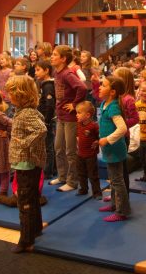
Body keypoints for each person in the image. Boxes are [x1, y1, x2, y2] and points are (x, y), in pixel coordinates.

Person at [4, 75, 47, 253]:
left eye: (11, 93)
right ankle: (35, 229)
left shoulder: (27, 113)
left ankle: (26, 240)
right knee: (32, 198)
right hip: (27, 163)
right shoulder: (23, 111)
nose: (8, 96)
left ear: (20, 95)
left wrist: (23, 143)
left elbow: (41, 130)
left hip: (27, 164)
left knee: (25, 202)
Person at [49, 45, 87, 192]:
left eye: (54, 55)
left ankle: (72, 181)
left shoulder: (67, 73)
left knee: (70, 150)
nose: (51, 57)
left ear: (63, 59)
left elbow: (82, 88)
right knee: (58, 148)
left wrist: (75, 104)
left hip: (70, 118)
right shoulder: (57, 72)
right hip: (60, 116)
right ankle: (62, 175)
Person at [97, 76, 130, 222]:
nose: (99, 87)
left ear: (112, 92)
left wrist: (107, 139)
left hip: (115, 149)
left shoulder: (113, 106)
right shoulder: (105, 103)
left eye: (103, 85)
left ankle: (122, 211)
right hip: (109, 149)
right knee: (113, 179)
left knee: (117, 180)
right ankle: (114, 204)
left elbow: (122, 128)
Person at [34, 60, 56, 179]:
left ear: (47, 70)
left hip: (46, 119)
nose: (36, 72)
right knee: (47, 145)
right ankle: (49, 168)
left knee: (48, 146)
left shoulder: (48, 85)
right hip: (43, 118)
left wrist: (47, 120)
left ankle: (48, 171)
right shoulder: (43, 84)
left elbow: (50, 104)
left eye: (38, 70)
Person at [75, 101, 101, 199]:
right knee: (81, 174)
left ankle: (97, 192)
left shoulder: (94, 126)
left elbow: (100, 136)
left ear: (87, 115)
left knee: (93, 174)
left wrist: (97, 141)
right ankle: (83, 189)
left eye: (79, 113)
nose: (76, 115)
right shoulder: (79, 124)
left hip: (90, 155)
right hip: (80, 154)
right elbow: (78, 135)